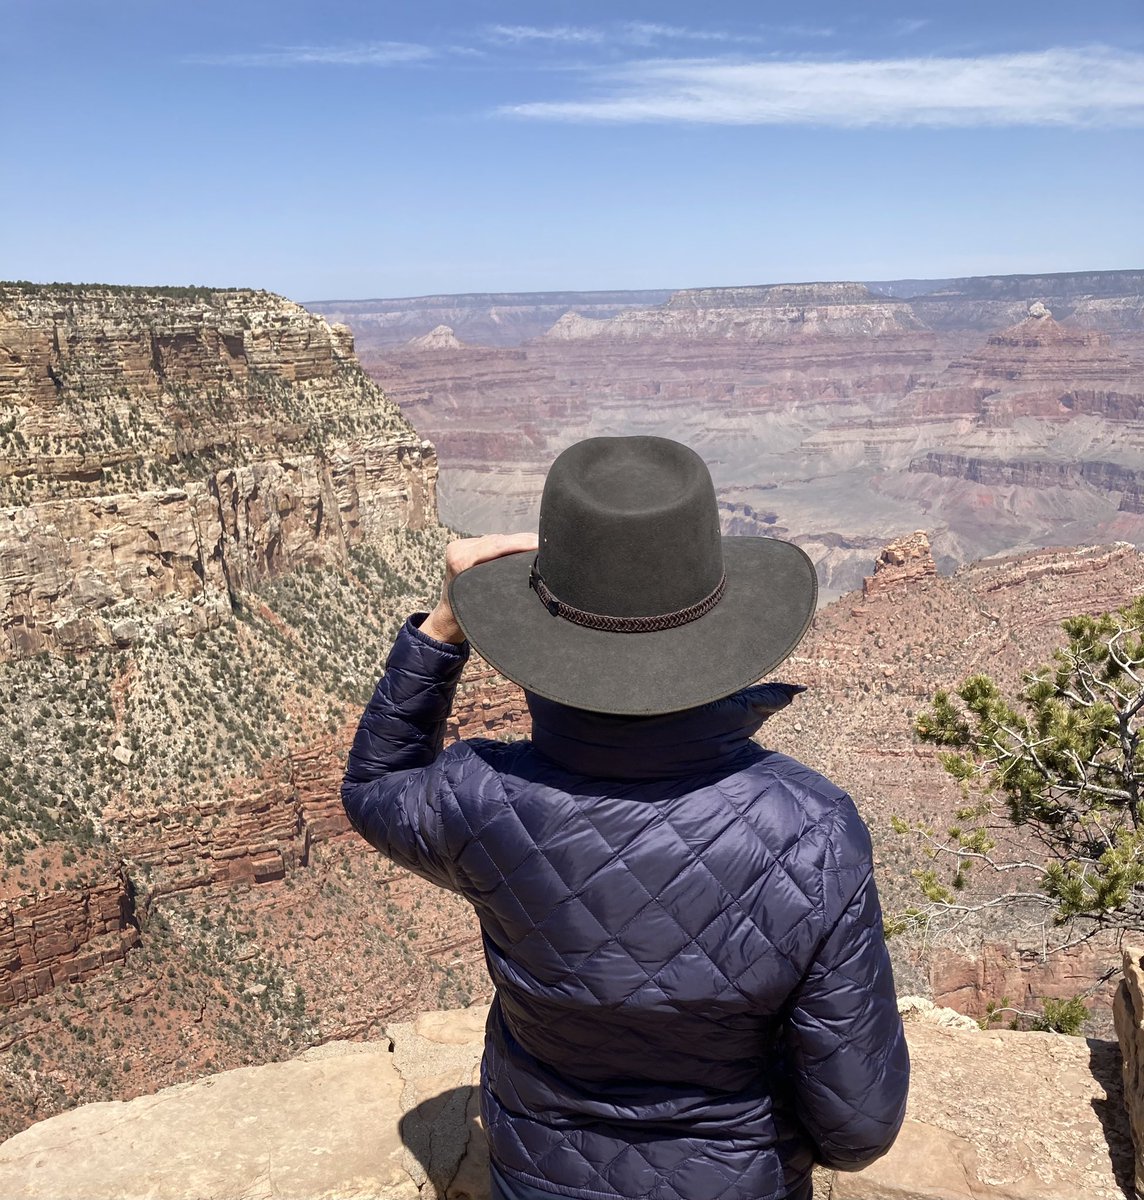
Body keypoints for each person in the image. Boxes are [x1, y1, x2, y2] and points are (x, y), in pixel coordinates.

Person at [342, 435, 909, 1200]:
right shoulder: (812, 829)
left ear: (542, 638)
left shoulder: (477, 795)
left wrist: (443, 629)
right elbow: (859, 1127)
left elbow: (377, 784)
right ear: (722, 623)